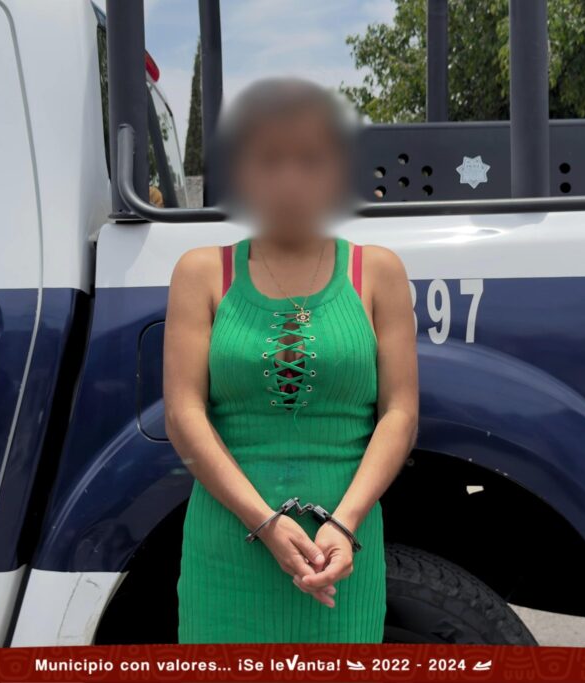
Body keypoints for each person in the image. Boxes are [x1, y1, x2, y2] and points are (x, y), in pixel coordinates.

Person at [163, 78, 418, 643]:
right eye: (269, 160)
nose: (289, 179)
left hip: (342, 552)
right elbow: (183, 414)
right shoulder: (200, 273)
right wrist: (265, 522)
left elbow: (400, 414)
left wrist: (344, 523)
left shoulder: (379, 272)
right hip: (228, 551)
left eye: (310, 160)